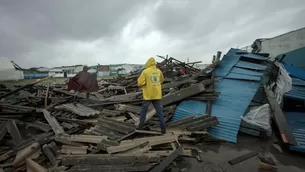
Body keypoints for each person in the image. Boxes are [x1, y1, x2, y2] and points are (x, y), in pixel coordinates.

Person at [137, 57, 166, 133]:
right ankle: (163, 129)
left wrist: (145, 85)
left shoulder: (145, 72)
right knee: (160, 112)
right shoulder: (158, 71)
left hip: (148, 96)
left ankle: (140, 127)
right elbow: (162, 80)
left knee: (143, 111)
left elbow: (140, 82)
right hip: (157, 95)